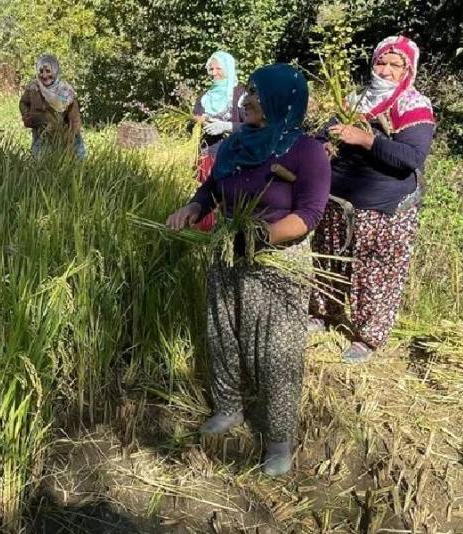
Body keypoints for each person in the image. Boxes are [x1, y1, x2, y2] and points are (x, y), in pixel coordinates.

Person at [166, 64, 331, 477]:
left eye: (257, 93)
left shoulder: (306, 151)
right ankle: (228, 408)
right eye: (249, 91)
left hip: (279, 260)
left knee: (276, 351)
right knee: (223, 331)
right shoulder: (235, 144)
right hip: (228, 252)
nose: (247, 99)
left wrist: (261, 239)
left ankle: (278, 438)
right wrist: (193, 208)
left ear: (283, 100)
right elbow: (211, 189)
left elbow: (309, 214)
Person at [309, 36, 436, 364]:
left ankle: (368, 335)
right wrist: (324, 146)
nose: (387, 70)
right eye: (382, 62)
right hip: (338, 202)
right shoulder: (354, 99)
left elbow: (410, 157)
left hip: (383, 209)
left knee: (375, 272)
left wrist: (366, 140)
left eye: (396, 65)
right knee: (328, 261)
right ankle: (324, 315)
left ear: (409, 70)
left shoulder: (412, 104)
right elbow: (325, 135)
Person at [190, 51, 245, 231]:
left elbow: (254, 126)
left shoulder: (240, 95)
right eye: (210, 69)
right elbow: (193, 121)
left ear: (228, 69)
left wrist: (226, 126)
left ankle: (230, 237)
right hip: (208, 155)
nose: (213, 73)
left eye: (218, 68)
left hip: (233, 158)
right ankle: (205, 236)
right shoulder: (205, 97)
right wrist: (196, 121)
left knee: (229, 198)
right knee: (207, 197)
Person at [19, 53, 86, 159]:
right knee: (38, 158)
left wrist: (73, 133)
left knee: (63, 159)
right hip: (39, 131)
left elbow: (75, 117)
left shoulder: (65, 90)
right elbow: (23, 102)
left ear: (55, 71)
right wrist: (26, 115)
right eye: (41, 71)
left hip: (61, 134)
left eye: (48, 71)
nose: (44, 75)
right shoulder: (33, 87)